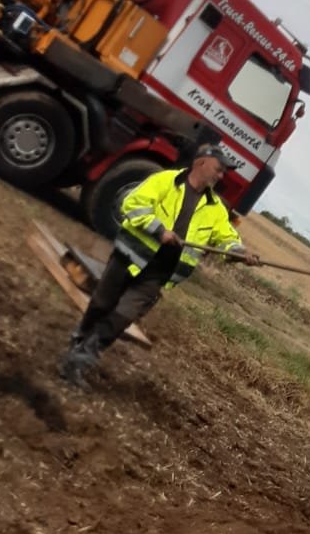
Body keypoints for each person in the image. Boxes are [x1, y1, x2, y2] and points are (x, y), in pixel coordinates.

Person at [58, 143, 260, 386]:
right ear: (201, 162)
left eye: (223, 172)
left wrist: (239, 252)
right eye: (219, 169)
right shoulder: (165, 181)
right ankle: (79, 340)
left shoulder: (215, 208)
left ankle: (79, 361)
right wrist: (159, 230)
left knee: (122, 316)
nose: (221, 176)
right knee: (101, 304)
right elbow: (132, 203)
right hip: (130, 256)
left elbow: (227, 238)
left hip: (159, 272)